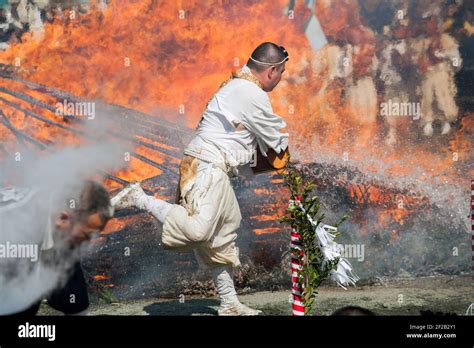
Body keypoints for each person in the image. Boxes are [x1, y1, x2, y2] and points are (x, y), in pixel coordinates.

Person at [112, 42, 290, 316]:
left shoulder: (237, 87)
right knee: (199, 231)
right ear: (271, 70)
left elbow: (247, 146)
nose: (280, 79)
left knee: (221, 238)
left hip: (215, 169)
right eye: (281, 73)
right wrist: (287, 156)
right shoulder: (250, 93)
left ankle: (230, 303)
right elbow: (276, 143)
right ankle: (139, 198)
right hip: (207, 166)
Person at [2, 180, 113, 316]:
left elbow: (74, 303)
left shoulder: (62, 238)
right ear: (62, 218)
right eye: (87, 234)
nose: (89, 242)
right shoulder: (14, 223)